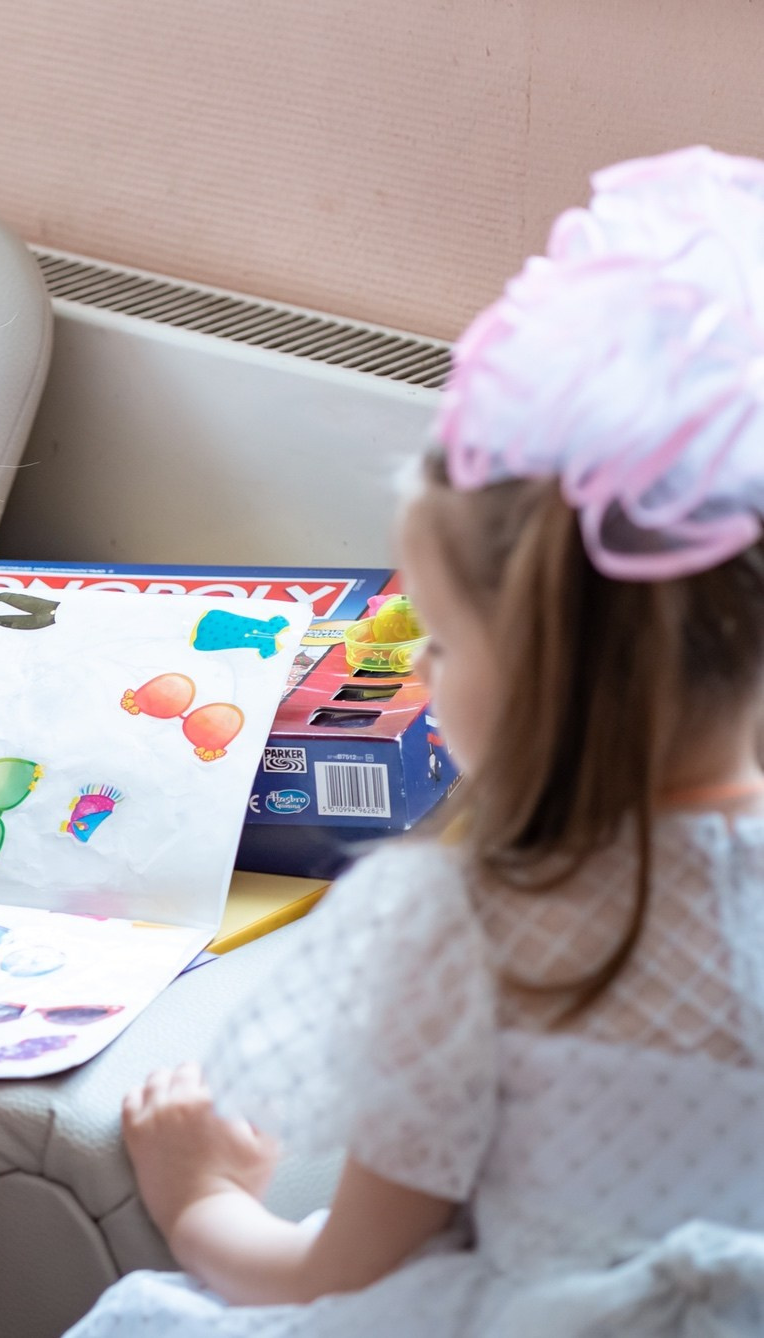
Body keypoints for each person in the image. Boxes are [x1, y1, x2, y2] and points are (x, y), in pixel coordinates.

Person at [73, 146, 764, 1337]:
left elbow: (340, 1279)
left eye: (439, 643)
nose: (426, 682)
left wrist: (202, 1206)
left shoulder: (474, 927)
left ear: (538, 667)